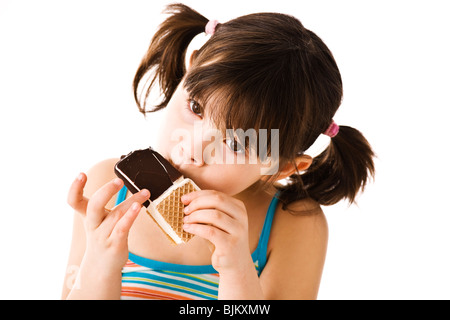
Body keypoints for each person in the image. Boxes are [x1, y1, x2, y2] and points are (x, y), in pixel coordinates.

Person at [62, 3, 375, 300]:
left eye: (236, 143)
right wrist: (100, 262)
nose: (194, 148)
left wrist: (236, 270)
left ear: (279, 166)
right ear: (190, 68)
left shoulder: (292, 225)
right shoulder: (106, 187)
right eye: (196, 107)